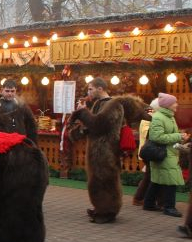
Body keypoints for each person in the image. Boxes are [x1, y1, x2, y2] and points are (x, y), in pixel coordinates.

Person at [69, 79, 148, 224]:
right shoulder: (98, 104)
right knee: (96, 180)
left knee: (107, 180)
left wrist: (83, 112)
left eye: (91, 89)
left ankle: (108, 211)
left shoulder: (114, 104)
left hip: (107, 150)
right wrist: (78, 131)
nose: (88, 92)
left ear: (100, 88)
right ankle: (100, 207)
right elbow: (91, 125)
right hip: (96, 149)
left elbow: (99, 124)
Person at [143, 93, 189, 218]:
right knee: (171, 180)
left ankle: (148, 203)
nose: (177, 105)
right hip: (164, 153)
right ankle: (169, 207)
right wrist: (178, 136)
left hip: (168, 152)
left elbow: (167, 134)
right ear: (168, 105)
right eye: (175, 102)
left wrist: (179, 136)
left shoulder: (168, 116)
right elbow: (156, 137)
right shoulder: (159, 117)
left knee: (158, 179)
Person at [133, 98, 158, 207]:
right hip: (149, 150)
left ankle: (142, 197)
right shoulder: (150, 117)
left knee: (149, 175)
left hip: (148, 150)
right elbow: (148, 133)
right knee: (149, 176)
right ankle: (139, 198)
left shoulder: (150, 116)